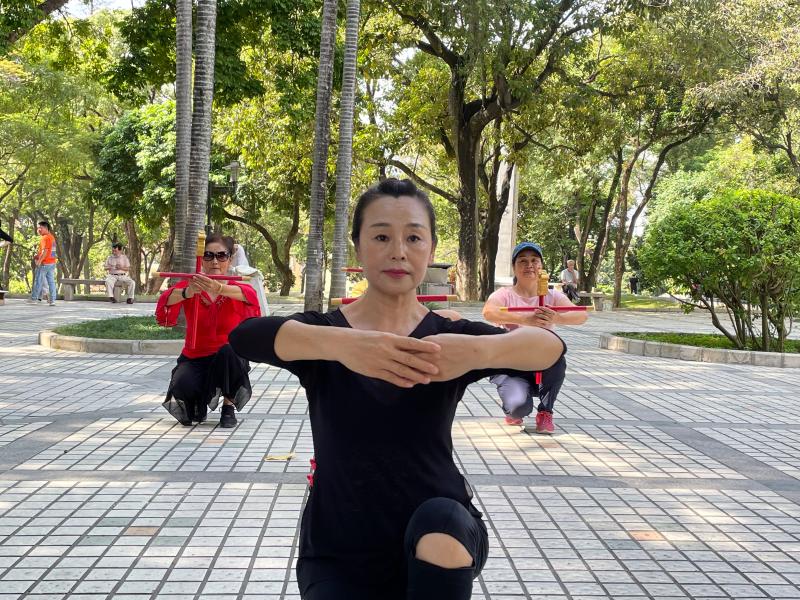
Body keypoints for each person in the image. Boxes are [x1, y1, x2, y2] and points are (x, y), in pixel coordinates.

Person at [229, 178, 565, 600]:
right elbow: (245, 336)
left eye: (413, 238)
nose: (398, 251)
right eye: (382, 236)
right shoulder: (326, 335)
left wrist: (477, 351)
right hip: (338, 547)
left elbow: (550, 350)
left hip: (441, 534)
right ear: (358, 246)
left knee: (440, 521)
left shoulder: (448, 338)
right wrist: (345, 345)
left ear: (431, 248)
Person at [156, 234, 260, 428]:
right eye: (208, 255)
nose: (215, 261)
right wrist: (188, 292)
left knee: (229, 351)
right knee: (183, 385)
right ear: (201, 259)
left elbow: (250, 295)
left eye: (221, 255)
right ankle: (198, 405)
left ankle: (228, 407)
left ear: (230, 259)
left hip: (228, 356)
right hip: (195, 355)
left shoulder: (236, 287)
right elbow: (166, 300)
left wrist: (218, 287)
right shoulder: (192, 284)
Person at [483, 242, 588, 434]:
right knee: (518, 408)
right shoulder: (504, 294)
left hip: (542, 361)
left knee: (557, 357)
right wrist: (525, 319)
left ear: (541, 266)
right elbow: (489, 312)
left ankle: (546, 411)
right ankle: (513, 409)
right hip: (511, 365)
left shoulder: (552, 295)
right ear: (514, 267)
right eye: (522, 261)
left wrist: (557, 318)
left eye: (534, 260)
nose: (529, 265)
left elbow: (581, 315)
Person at [29, 221, 58, 306]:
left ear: (45, 228)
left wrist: (39, 261)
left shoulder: (45, 238)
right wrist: (38, 256)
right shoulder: (52, 237)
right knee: (51, 282)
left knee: (38, 281)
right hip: (52, 263)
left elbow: (45, 251)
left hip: (44, 264)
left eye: (40, 228)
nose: (38, 230)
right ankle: (52, 300)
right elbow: (50, 251)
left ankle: (34, 299)